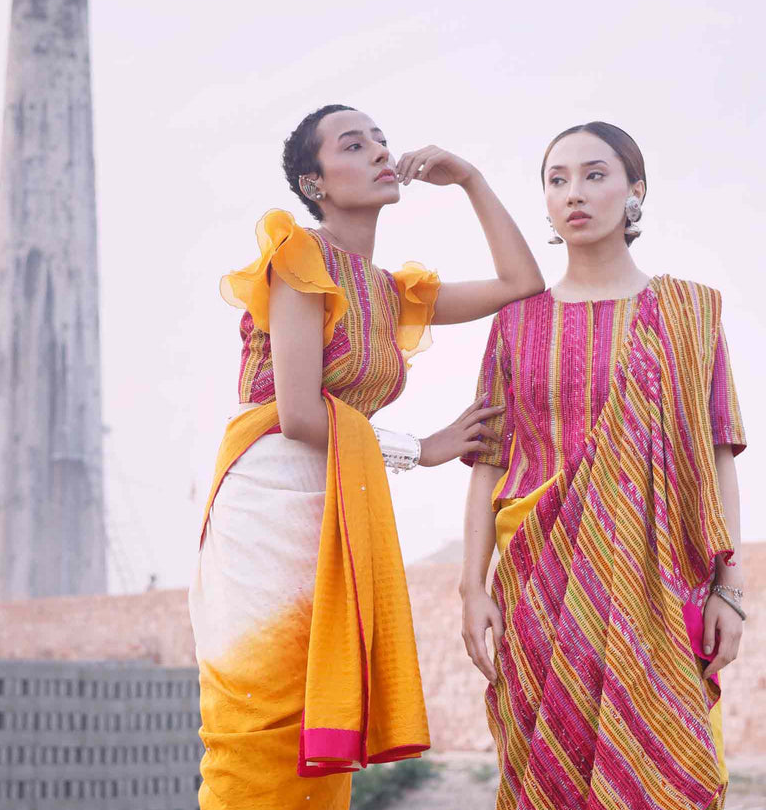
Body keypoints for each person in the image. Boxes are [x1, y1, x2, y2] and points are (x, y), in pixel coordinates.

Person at [189, 104, 544, 810]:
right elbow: (294, 412)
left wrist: (469, 178)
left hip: (338, 505)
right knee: (262, 713)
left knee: (323, 712)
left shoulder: (388, 291)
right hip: (268, 504)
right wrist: (424, 448)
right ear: (314, 182)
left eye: (383, 139)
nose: (382, 151)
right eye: (355, 144)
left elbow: (521, 284)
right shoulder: (299, 257)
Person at [460, 122, 746, 810]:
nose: (573, 194)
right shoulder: (516, 322)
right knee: (546, 775)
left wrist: (730, 590)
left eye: (594, 175)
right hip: (538, 590)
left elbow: (718, 455)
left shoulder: (690, 313)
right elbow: (487, 464)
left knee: (662, 773)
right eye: (556, 180)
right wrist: (471, 589)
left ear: (635, 191)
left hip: (661, 589)